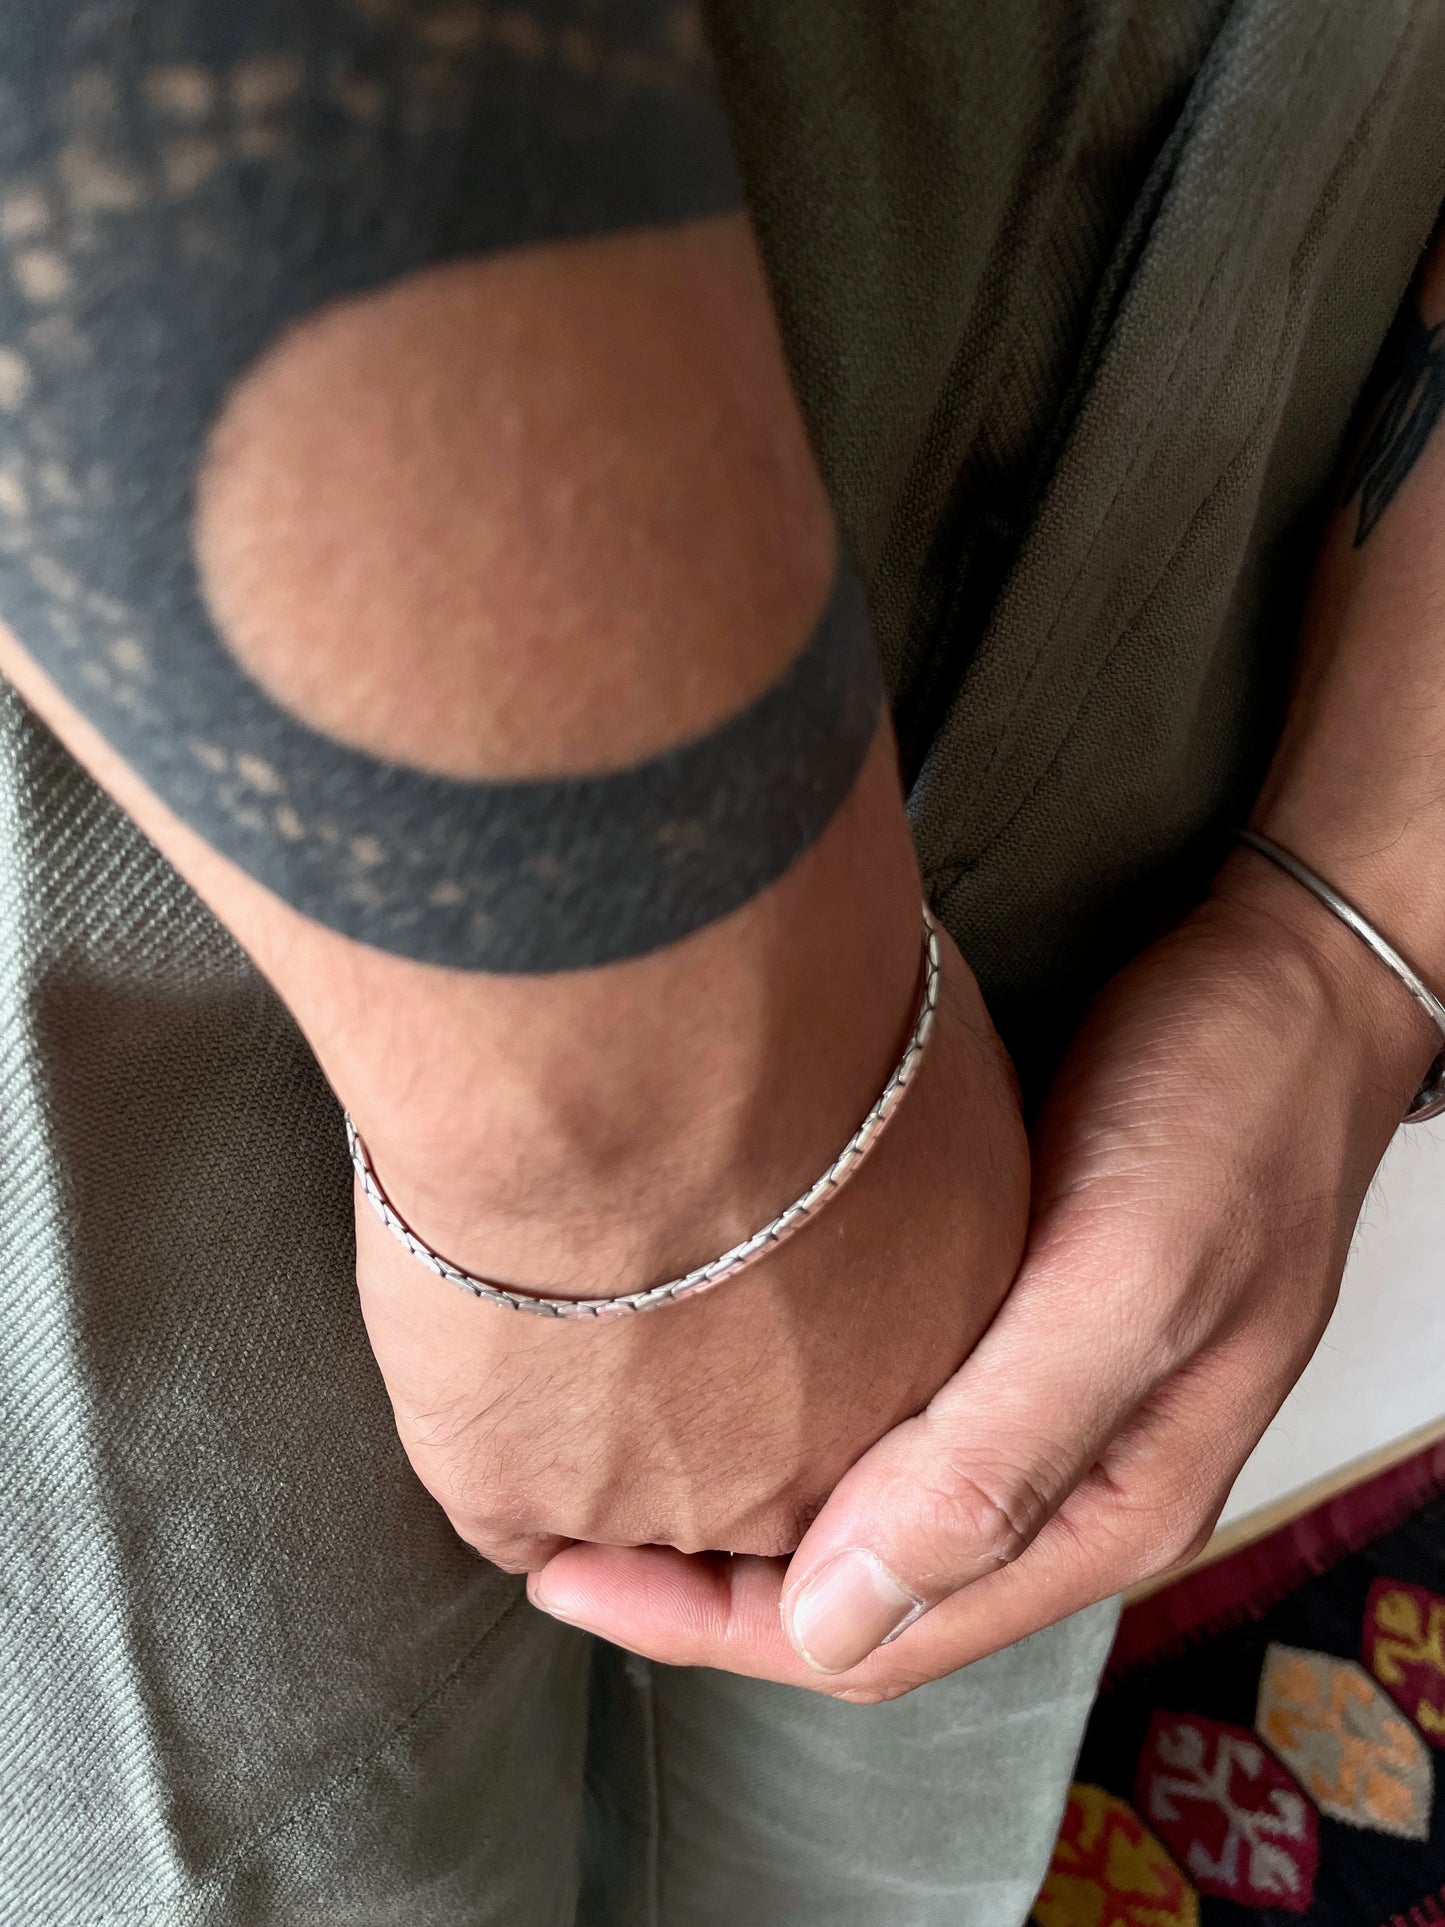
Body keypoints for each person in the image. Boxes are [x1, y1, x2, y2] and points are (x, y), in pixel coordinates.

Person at [2, 2, 1444, 1921]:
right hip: (196, 863)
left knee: (895, 1790)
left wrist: (1350, 927)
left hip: (1220, 630)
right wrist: (652, 1160)